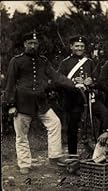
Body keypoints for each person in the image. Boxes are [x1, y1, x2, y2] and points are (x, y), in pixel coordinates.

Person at [5, 31, 75, 175]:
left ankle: (54, 156)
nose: (33, 46)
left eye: (35, 43)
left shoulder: (43, 61)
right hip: (22, 103)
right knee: (21, 135)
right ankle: (24, 164)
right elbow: (10, 84)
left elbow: (56, 76)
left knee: (55, 123)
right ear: (25, 44)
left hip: (41, 102)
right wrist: (11, 105)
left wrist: (73, 84)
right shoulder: (16, 61)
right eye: (30, 43)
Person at [58, 35, 105, 155]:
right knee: (73, 127)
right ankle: (72, 155)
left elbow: (97, 79)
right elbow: (58, 81)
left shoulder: (89, 62)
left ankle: (100, 151)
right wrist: (72, 82)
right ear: (71, 47)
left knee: (105, 116)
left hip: (89, 99)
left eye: (82, 46)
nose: (79, 48)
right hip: (73, 100)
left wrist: (91, 81)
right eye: (77, 46)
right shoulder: (65, 63)